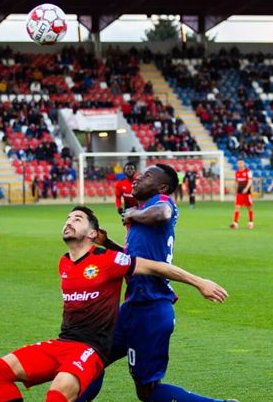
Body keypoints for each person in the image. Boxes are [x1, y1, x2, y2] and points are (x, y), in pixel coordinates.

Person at [0, 206, 228, 402]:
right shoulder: (63, 263)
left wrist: (199, 282)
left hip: (89, 350)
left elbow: (155, 267)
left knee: (57, 396)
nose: (69, 222)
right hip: (63, 344)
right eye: (68, 218)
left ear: (93, 233)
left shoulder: (109, 260)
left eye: (78, 219)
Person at [79, 165, 238, 402]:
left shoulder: (161, 202)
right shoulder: (144, 214)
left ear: (162, 186)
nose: (139, 178)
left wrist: (132, 214)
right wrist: (108, 243)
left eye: (147, 176)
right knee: (91, 357)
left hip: (151, 309)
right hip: (132, 307)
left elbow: (163, 212)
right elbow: (134, 260)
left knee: (148, 391)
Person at [230, 159, 254, 229]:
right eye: (238, 163)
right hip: (239, 193)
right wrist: (235, 190)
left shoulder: (248, 171)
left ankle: (250, 222)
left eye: (241, 163)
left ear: (244, 164)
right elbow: (236, 182)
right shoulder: (236, 172)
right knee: (237, 207)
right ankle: (235, 223)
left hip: (247, 193)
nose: (240, 164)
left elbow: (250, 181)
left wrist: (246, 188)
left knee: (249, 208)